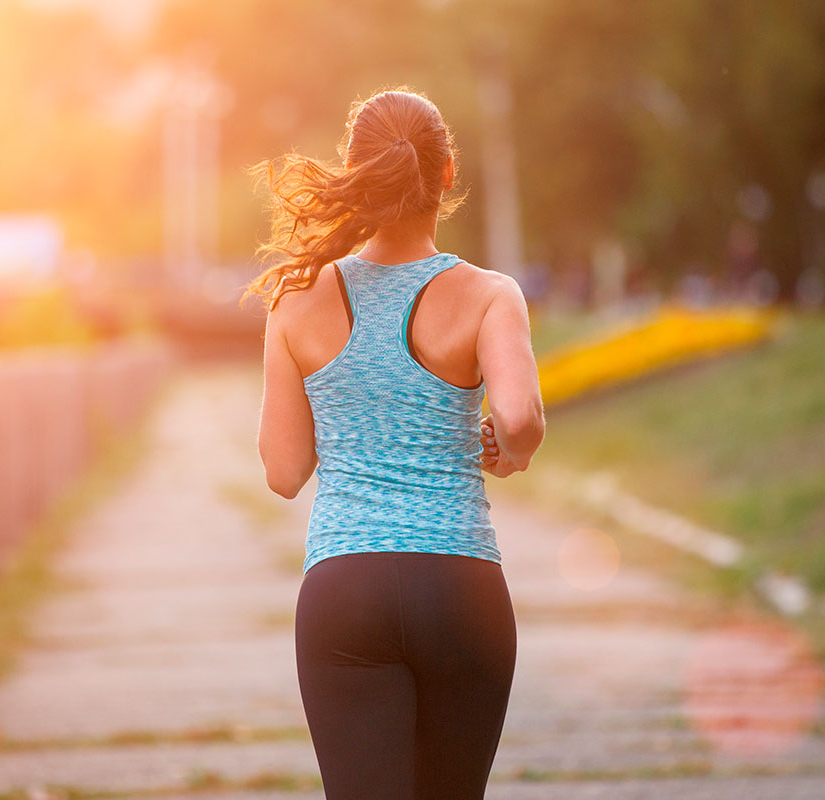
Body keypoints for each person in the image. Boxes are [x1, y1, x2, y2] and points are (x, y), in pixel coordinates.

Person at [245, 87, 545, 799]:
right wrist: (514, 449)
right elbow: (520, 418)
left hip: (345, 591)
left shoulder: (296, 300)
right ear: (446, 175)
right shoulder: (490, 295)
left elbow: (284, 472)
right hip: (462, 590)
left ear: (359, 172)